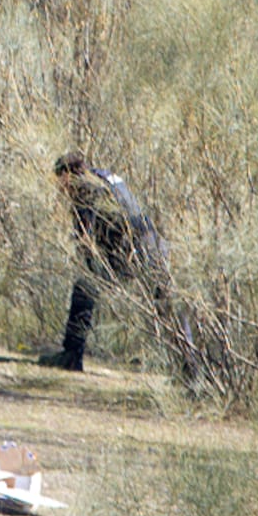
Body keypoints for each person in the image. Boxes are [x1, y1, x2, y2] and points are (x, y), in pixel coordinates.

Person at [38, 151, 173, 372]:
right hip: (155, 245)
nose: (61, 190)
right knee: (166, 306)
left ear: (67, 176)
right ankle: (189, 369)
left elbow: (85, 238)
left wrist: (90, 262)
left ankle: (72, 356)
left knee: (85, 287)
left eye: (60, 182)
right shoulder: (105, 176)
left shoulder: (84, 188)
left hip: (130, 251)